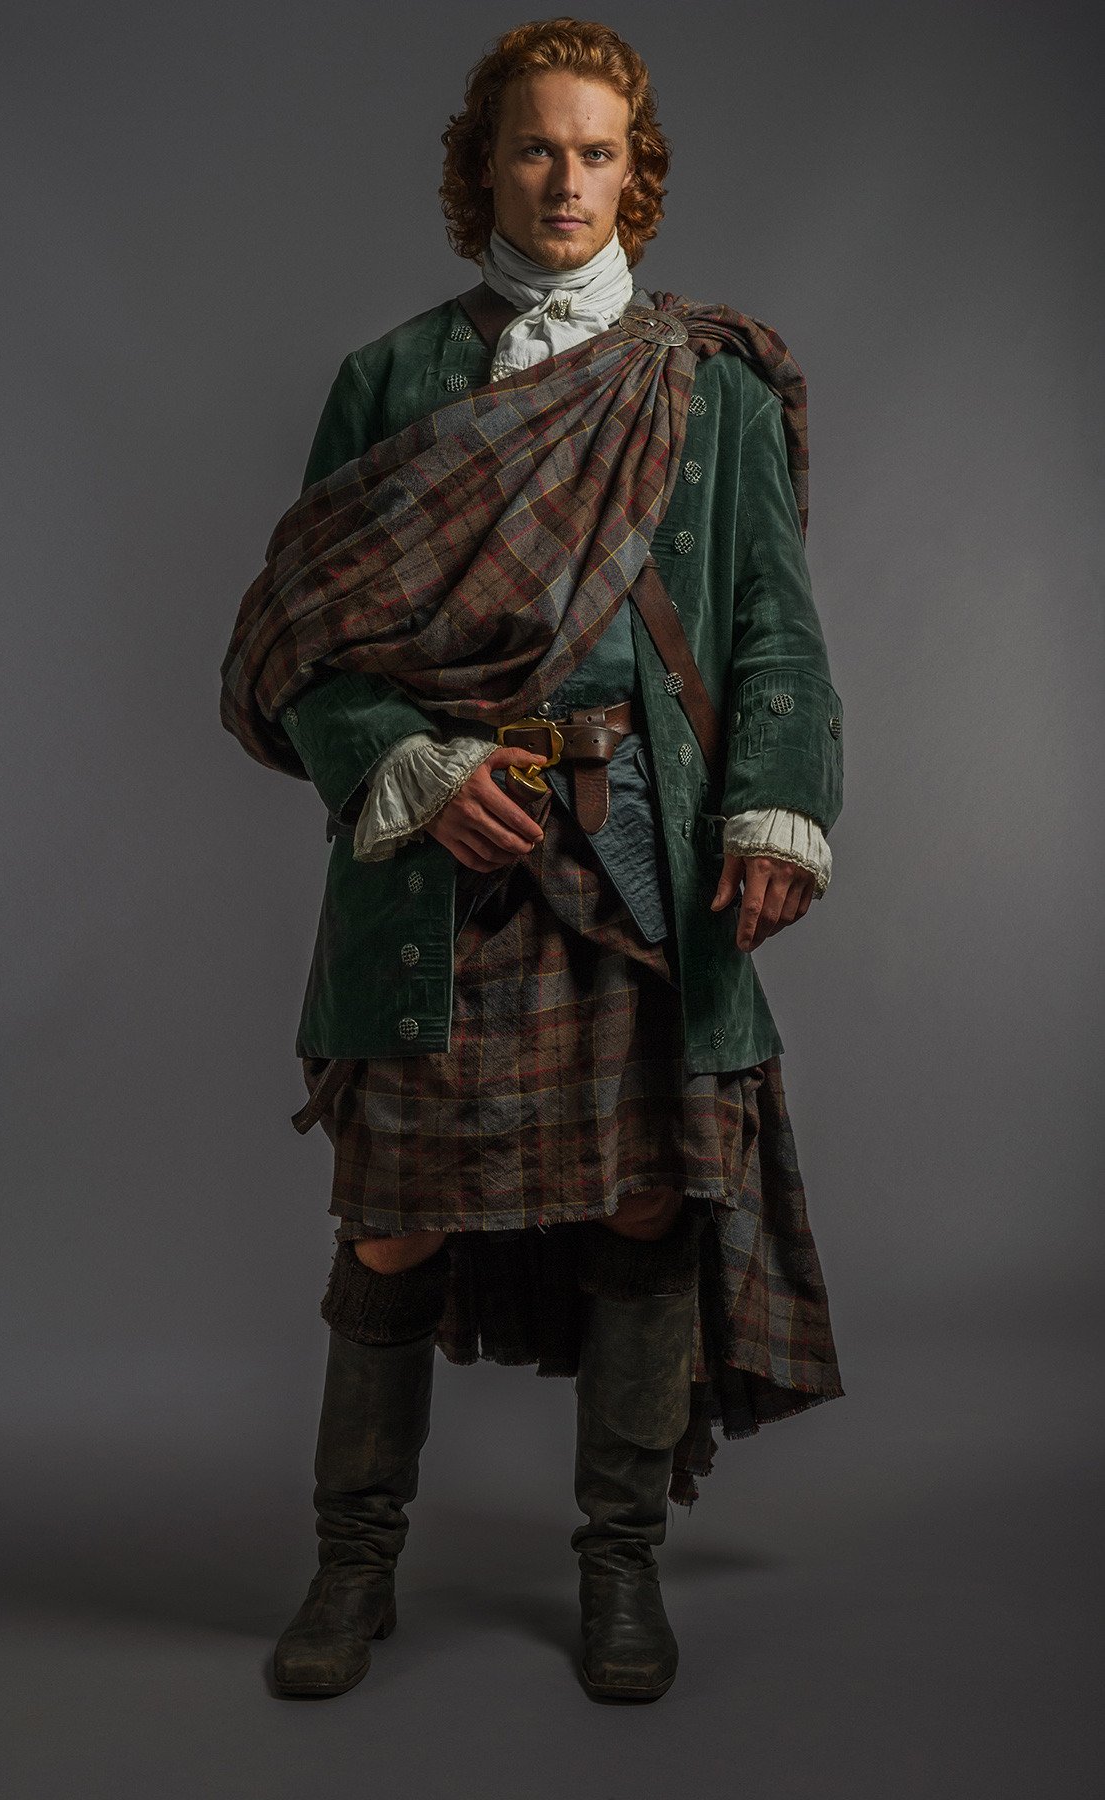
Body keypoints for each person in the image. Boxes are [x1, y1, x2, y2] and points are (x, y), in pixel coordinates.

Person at [220, 16, 845, 1704]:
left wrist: (777, 803)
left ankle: (619, 1569)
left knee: (645, 1202)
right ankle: (352, 1567)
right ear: (479, 168)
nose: (565, 181)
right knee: (393, 1226)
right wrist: (405, 767)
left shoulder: (706, 386)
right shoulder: (388, 378)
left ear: (634, 171)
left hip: (637, 867)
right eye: (533, 149)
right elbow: (298, 650)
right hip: (438, 868)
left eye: (596, 152)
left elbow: (772, 630)